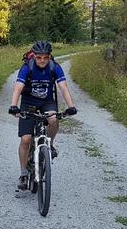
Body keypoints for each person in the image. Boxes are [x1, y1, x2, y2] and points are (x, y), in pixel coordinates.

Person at [8, 40, 77, 191]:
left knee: (53, 119)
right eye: (39, 57)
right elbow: (18, 88)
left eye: (45, 57)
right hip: (28, 103)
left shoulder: (54, 67)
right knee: (26, 139)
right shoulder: (27, 67)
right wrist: (14, 106)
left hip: (47, 102)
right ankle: (24, 173)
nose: (42, 61)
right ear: (34, 57)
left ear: (49, 56)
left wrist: (71, 106)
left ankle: (49, 145)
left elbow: (63, 88)